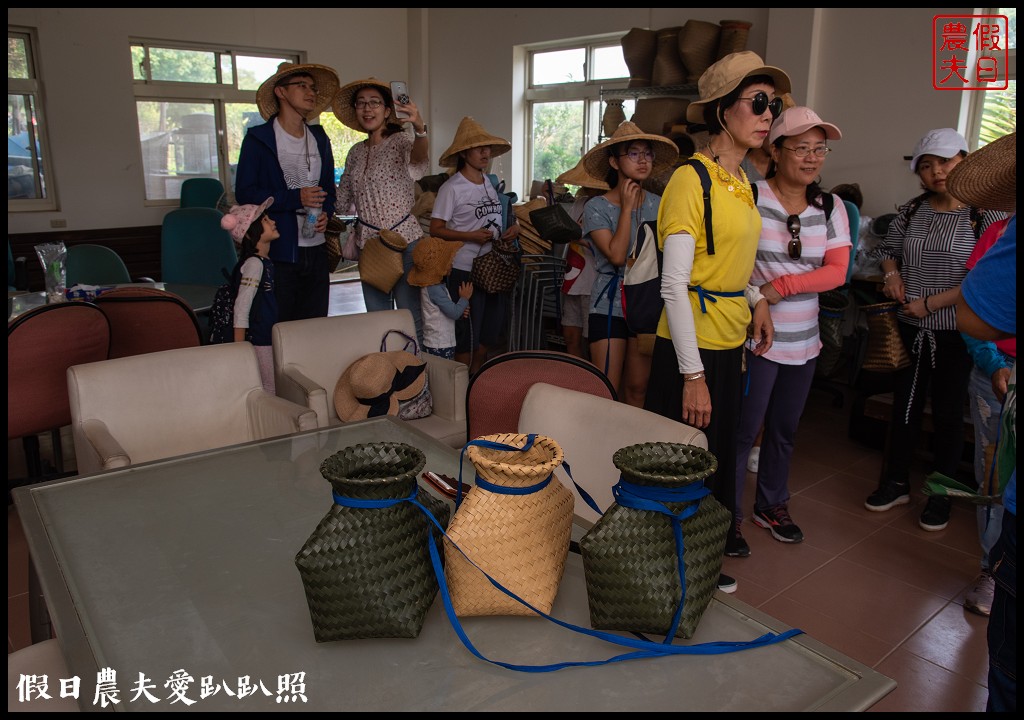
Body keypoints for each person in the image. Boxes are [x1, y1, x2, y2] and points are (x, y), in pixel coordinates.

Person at [645, 51, 790, 578]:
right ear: (722, 111)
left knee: (719, 446)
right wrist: (692, 375)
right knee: (684, 452)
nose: (767, 114)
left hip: (729, 337)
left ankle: (708, 539)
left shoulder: (743, 183)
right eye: (756, 103)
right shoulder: (693, 180)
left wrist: (757, 302)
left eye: (771, 104)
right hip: (692, 343)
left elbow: (730, 266)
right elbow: (674, 285)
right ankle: (675, 556)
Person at [864, 128, 1007, 532]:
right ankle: (895, 483)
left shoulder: (987, 215)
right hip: (910, 327)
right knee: (905, 407)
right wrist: (891, 275)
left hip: (960, 333)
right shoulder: (912, 211)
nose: (936, 172)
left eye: (945, 162)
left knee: (946, 413)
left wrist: (930, 303)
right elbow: (887, 251)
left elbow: (986, 279)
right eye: (926, 165)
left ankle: (941, 495)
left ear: (965, 162)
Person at [734, 106, 851, 546]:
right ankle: (727, 515)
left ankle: (771, 505)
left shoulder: (832, 206)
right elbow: (734, 264)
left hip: (805, 339)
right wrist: (757, 296)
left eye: (819, 149)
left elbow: (837, 271)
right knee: (744, 429)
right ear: (776, 150)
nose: (811, 158)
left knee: (784, 429)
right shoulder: (750, 196)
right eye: (801, 148)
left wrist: (780, 286)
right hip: (754, 338)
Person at [949, 134, 1016, 710]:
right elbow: (981, 325)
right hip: (996, 376)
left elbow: (974, 309)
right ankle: (990, 568)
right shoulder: (999, 232)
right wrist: (997, 364)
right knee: (990, 475)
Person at [580, 121, 678, 406]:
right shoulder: (596, 207)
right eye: (633, 154)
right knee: (606, 387)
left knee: (638, 387)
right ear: (614, 161)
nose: (643, 160)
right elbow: (617, 256)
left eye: (647, 153)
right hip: (608, 302)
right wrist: (625, 207)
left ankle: (630, 448)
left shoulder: (660, 204)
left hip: (647, 301)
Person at [235, 62, 340, 323]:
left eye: (312, 87)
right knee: (279, 325)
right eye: (301, 86)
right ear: (281, 92)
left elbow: (328, 190)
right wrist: (295, 198)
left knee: (315, 323)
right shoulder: (259, 139)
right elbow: (245, 192)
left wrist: (326, 213)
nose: (310, 92)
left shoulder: (319, 138)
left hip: (316, 248)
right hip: (279, 249)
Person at [335, 77, 430, 345]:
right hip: (370, 246)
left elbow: (419, 158)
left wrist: (420, 128)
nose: (367, 109)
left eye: (374, 102)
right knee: (377, 320)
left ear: (387, 110)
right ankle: (386, 377)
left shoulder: (400, 141)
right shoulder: (355, 152)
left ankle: (419, 379)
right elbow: (342, 200)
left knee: (409, 318)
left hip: (404, 242)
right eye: (361, 103)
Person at [429, 117, 519, 374]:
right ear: (463, 153)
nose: (485, 153)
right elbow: (436, 229)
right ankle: (457, 392)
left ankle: (475, 382)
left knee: (488, 334)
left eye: (487, 148)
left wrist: (512, 230)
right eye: (478, 148)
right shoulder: (452, 188)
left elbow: (494, 221)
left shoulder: (489, 185)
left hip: (492, 269)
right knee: (466, 334)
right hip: (464, 270)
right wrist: (469, 236)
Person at [219, 197, 279, 394]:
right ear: (251, 233)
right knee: (267, 388)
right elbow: (242, 306)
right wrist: (241, 349)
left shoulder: (264, 262)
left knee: (270, 384)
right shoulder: (254, 265)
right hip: (259, 338)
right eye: (265, 221)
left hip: (267, 335)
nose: (272, 222)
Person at [555, 159, 609, 362]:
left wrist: (584, 241)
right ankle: (575, 378)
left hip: (595, 280)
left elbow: (613, 249)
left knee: (592, 339)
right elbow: (568, 230)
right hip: (573, 276)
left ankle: (592, 383)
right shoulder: (580, 203)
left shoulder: (610, 207)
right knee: (570, 335)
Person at [407, 235, 472, 360]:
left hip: (435, 342)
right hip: (440, 344)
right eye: (448, 260)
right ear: (439, 266)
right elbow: (453, 313)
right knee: (442, 373)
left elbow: (445, 313)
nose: (451, 262)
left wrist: (460, 309)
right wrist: (464, 298)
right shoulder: (435, 289)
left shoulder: (431, 286)